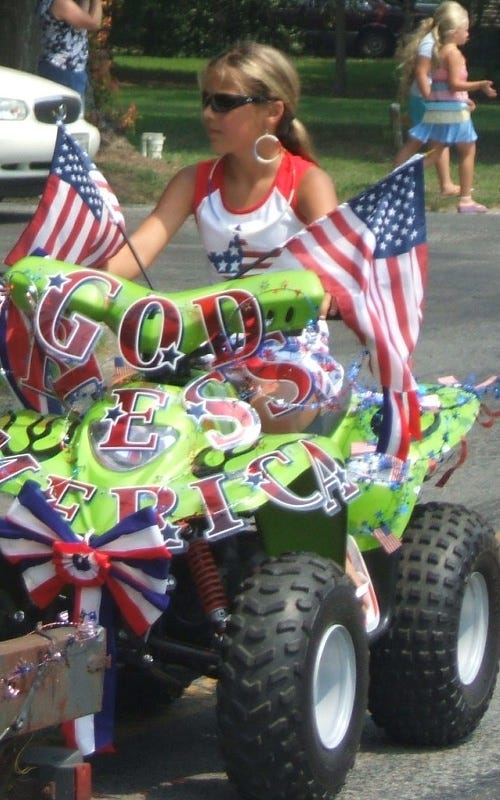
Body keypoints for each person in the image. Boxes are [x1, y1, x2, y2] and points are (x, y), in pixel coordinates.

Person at [106, 41, 344, 433]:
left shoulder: (307, 182)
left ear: (272, 111)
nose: (207, 113)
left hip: (290, 348)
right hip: (213, 343)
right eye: (205, 100)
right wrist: (71, 282)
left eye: (223, 102)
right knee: (126, 412)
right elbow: (130, 259)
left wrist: (327, 297)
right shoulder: (194, 181)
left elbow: (340, 274)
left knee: (267, 410)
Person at [393, 2, 496, 213]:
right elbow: (454, 85)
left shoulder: (436, 50)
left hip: (439, 109)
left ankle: (397, 179)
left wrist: (461, 98)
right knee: (468, 149)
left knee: (434, 153)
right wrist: (481, 84)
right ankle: (466, 199)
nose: (468, 34)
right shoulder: (454, 54)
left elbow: (441, 85)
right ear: (454, 32)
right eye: (465, 30)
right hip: (454, 113)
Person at [396, 2, 461, 198]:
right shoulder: (429, 43)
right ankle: (397, 177)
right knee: (425, 142)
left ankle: (446, 184)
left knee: (436, 142)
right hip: (424, 99)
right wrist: (431, 100)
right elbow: (422, 73)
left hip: (428, 99)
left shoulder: (438, 42)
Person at [37, 0, 103, 107]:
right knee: (69, 117)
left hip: (57, 66)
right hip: (65, 70)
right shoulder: (62, 3)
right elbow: (94, 23)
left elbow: (79, 25)